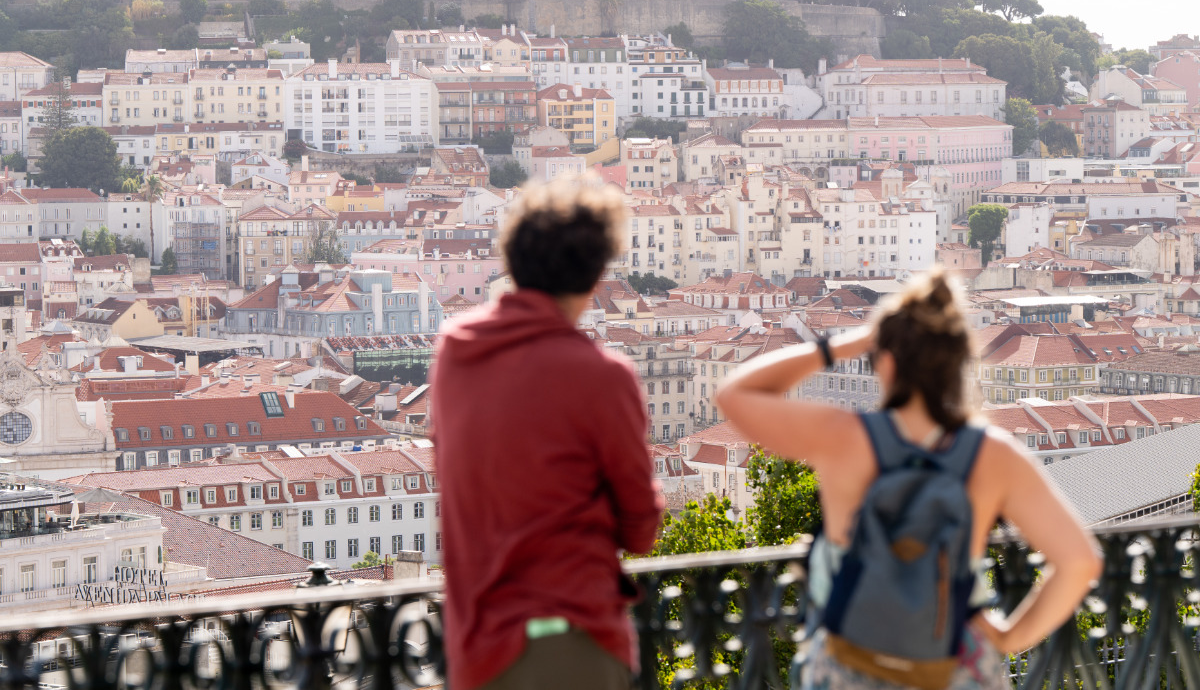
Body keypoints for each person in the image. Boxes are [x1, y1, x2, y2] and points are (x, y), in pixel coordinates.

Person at [715, 270, 1101, 689]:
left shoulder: (844, 437)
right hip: (954, 662)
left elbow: (734, 394)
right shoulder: (994, 454)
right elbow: (1080, 562)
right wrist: (1009, 638)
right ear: (958, 362)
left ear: (886, 361)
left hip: (852, 662)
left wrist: (843, 344)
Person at [431, 177, 664, 690]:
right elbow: (640, 528)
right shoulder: (603, 375)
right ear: (597, 272)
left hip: (477, 643)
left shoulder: (456, 350)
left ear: (512, 259)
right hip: (570, 636)